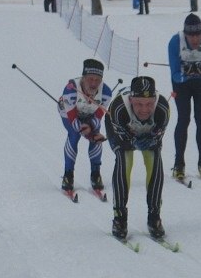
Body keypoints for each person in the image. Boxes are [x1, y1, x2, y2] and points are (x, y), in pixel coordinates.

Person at [105, 76, 171, 240]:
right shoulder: (119, 108)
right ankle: (119, 218)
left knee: (155, 160)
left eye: (149, 104)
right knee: (124, 160)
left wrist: (152, 139)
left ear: (154, 100)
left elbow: (158, 136)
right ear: (131, 99)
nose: (144, 109)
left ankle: (154, 216)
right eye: (139, 104)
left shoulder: (162, 108)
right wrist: (134, 140)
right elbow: (124, 139)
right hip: (120, 128)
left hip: (147, 133)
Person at [167, 13, 201, 181]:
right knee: (183, 119)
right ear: (185, 34)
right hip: (182, 85)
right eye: (191, 36)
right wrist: (189, 74)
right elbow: (175, 75)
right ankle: (179, 164)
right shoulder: (175, 42)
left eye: (198, 35)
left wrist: (200, 73)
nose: (195, 39)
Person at [58, 59, 113, 193]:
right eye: (90, 79)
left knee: (96, 137)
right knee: (74, 134)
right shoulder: (71, 89)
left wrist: (92, 133)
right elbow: (73, 121)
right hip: (69, 113)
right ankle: (68, 175)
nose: (94, 84)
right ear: (83, 78)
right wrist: (89, 134)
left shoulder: (106, 92)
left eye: (97, 80)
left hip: (89, 114)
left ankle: (95, 173)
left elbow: (98, 117)